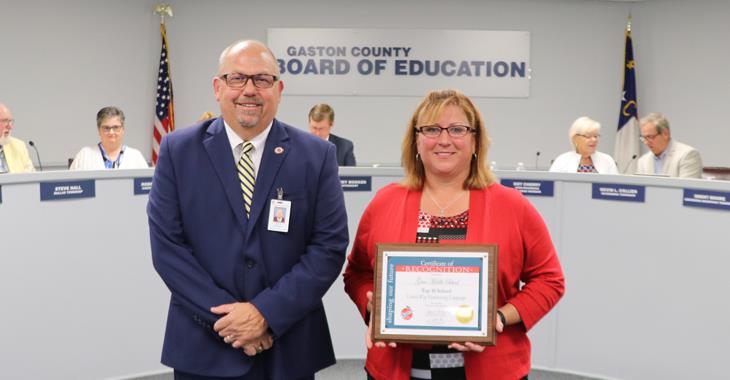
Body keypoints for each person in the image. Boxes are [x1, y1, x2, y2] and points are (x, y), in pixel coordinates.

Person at [147, 40, 349, 380]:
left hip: (287, 345)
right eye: (237, 78)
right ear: (218, 87)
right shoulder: (177, 151)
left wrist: (265, 314)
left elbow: (328, 247)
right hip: (203, 345)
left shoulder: (316, 156)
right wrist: (231, 322)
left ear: (279, 89)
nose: (249, 90)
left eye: (262, 80)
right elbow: (168, 249)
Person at [343, 89, 565, 380]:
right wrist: (374, 307)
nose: (444, 140)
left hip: (492, 368)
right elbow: (357, 273)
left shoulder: (513, 206)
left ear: (475, 141)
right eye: (432, 129)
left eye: (458, 129)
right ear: (416, 141)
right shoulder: (385, 203)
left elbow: (550, 280)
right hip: (397, 368)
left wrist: (498, 317)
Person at [69, 106, 148, 170]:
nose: (111, 132)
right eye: (106, 128)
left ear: (123, 129)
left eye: (116, 127)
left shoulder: (136, 156)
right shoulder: (84, 155)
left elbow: (147, 186)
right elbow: (72, 185)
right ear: (99, 130)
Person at [635, 112, 703, 178]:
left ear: (665, 134)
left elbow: (687, 188)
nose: (646, 142)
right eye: (643, 138)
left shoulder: (687, 155)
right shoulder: (643, 161)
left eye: (650, 137)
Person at [549, 116, 619, 174]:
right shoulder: (562, 160)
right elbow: (551, 187)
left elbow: (616, 187)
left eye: (596, 136)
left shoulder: (607, 160)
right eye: (588, 136)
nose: (594, 140)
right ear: (575, 138)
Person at [0, 102, 35, 174]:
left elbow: (32, 175)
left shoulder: (19, 146)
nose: (10, 126)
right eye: (5, 121)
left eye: (10, 121)